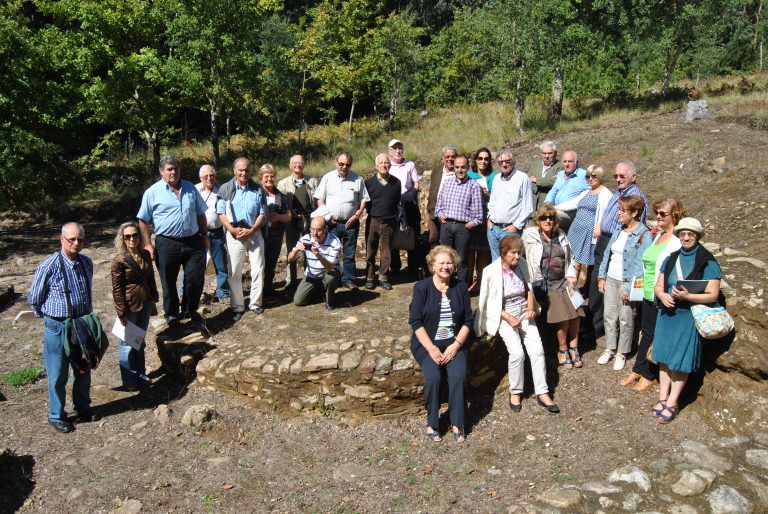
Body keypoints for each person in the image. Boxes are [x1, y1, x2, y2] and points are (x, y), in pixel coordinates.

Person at [28, 223, 101, 433]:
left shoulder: (87, 262)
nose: (76, 243)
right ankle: (56, 415)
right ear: (62, 240)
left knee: (83, 368)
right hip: (58, 326)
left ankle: (83, 407)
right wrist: (51, 320)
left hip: (81, 324)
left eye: (80, 239)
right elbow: (35, 298)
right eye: (72, 239)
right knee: (58, 372)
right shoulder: (49, 266)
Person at [475, 235, 560, 414]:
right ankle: (516, 391)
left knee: (537, 350)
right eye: (513, 253)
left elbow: (529, 288)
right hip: (505, 314)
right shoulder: (491, 271)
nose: (516, 257)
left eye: (519, 253)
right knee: (517, 353)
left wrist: (530, 308)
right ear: (503, 253)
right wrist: (508, 317)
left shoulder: (522, 264)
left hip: (523, 311)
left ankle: (542, 392)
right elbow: (490, 302)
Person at [650, 217, 721, 424]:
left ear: (697, 236)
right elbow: (658, 285)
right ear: (679, 235)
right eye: (683, 234)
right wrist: (662, 295)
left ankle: (672, 402)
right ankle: (662, 398)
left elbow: (713, 294)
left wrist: (687, 297)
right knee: (663, 357)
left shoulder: (707, 260)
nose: (686, 237)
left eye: (691, 234)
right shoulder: (671, 258)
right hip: (667, 313)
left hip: (687, 316)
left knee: (680, 360)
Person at [409, 246, 473, 443]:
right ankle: (432, 423)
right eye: (441, 263)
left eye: (449, 262)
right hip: (428, 345)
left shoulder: (460, 287)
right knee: (434, 378)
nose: (446, 266)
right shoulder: (422, 288)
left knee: (458, 377)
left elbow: (468, 321)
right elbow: (416, 322)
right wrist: (431, 348)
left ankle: (457, 422)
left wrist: (456, 345)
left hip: (455, 343)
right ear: (433, 265)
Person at [137, 155, 209, 328]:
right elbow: (143, 220)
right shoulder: (152, 192)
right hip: (167, 243)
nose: (173, 172)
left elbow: (200, 213)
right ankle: (171, 315)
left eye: (176, 168)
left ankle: (190, 310)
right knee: (168, 281)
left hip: (193, 241)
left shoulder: (190, 188)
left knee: (195, 279)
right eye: (169, 169)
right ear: (162, 171)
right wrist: (147, 244)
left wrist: (205, 235)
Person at [621, 199, 684, 391]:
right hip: (648, 292)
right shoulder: (659, 236)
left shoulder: (676, 241)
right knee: (646, 332)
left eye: (663, 214)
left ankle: (649, 373)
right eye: (657, 213)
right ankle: (639, 368)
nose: (658, 217)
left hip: (661, 294)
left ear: (675, 216)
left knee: (656, 335)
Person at [588, 160, 648, 340]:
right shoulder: (620, 192)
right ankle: (596, 324)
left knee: (603, 285)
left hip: (617, 243)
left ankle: (598, 328)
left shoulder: (635, 197)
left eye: (622, 176)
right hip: (605, 240)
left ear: (633, 177)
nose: (618, 179)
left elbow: (637, 228)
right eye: (616, 176)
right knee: (596, 281)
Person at [522, 205, 584, 369]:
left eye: (551, 217)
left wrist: (571, 274)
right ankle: (562, 349)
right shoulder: (530, 235)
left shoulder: (561, 235)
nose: (547, 220)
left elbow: (571, 259)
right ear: (538, 220)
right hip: (544, 283)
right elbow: (522, 257)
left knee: (576, 313)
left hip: (564, 280)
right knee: (564, 317)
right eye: (544, 217)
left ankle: (574, 347)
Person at [596, 196, 652, 370]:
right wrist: (601, 276)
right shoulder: (619, 230)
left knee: (626, 318)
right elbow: (607, 254)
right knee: (609, 315)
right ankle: (610, 348)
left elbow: (641, 264)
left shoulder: (644, 234)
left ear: (634, 213)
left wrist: (629, 287)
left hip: (626, 281)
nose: (619, 213)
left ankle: (622, 352)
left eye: (623, 210)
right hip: (611, 278)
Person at [217, 157, 267, 321]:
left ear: (250, 171)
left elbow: (262, 213)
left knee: (258, 269)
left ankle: (255, 304)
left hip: (254, 233)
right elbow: (221, 213)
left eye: (246, 170)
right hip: (234, 235)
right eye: (240, 170)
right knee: (234, 271)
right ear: (234, 171)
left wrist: (253, 229)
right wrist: (231, 229)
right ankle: (238, 306)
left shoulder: (258, 189)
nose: (243, 173)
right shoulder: (225, 189)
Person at [110, 221, 158, 390]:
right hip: (130, 306)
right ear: (122, 239)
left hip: (145, 302)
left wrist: (154, 295)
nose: (132, 239)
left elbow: (150, 277)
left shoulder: (145, 254)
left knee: (139, 339)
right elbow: (117, 289)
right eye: (127, 236)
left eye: (135, 235)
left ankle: (141, 373)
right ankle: (129, 380)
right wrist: (121, 312)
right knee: (127, 343)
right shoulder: (119, 260)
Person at [314, 151, 370, 289]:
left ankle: (348, 279)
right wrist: (326, 216)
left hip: (350, 223)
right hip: (331, 223)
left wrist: (356, 216)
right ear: (336, 163)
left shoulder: (358, 179)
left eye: (348, 164)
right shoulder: (328, 178)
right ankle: (332, 279)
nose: (344, 167)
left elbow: (364, 200)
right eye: (341, 164)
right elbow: (320, 198)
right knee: (330, 252)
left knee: (350, 253)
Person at [434, 154, 483, 283]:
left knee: (461, 261)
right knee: (444, 258)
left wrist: (472, 223)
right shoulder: (447, 182)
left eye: (463, 167)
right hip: (447, 226)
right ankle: (444, 285)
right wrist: (439, 214)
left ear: (468, 168)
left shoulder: (474, 186)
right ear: (454, 168)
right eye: (457, 167)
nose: (460, 170)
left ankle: (460, 289)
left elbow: (479, 215)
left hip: (463, 228)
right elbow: (439, 204)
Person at [558, 164, 612, 280]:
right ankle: (572, 289)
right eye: (588, 177)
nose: (590, 179)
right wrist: (554, 208)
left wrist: (600, 226)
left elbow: (608, 214)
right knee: (571, 261)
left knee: (578, 264)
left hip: (588, 234)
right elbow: (572, 204)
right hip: (575, 230)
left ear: (600, 177)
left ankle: (577, 290)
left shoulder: (605, 193)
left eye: (593, 176)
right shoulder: (586, 192)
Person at [277, 154, 319, 288]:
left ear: (304, 165)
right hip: (291, 222)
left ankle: (309, 277)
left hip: (309, 221)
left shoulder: (312, 181)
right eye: (294, 163)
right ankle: (291, 280)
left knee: (309, 249)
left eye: (300, 162)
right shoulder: (282, 184)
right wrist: (290, 213)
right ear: (290, 165)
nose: (297, 165)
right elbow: (280, 206)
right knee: (292, 250)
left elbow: (317, 201)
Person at [486, 148, 533, 262]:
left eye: (507, 161)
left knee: (512, 262)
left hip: (510, 229)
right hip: (493, 228)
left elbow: (528, 207)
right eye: (501, 162)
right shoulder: (496, 178)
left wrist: (516, 226)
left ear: (513, 161)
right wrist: (489, 218)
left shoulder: (522, 178)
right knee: (496, 262)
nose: (504, 164)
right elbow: (492, 201)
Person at [287, 216, 342, 310]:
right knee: (298, 301)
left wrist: (318, 255)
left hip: (329, 273)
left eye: (319, 230)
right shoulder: (306, 239)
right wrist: (296, 250)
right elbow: (290, 259)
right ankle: (321, 291)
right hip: (312, 274)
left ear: (326, 229)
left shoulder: (334, 241)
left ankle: (330, 301)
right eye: (312, 229)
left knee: (330, 278)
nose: (315, 233)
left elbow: (330, 267)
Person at [364, 153, 401, 290]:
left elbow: (396, 200)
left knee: (387, 251)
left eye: (386, 163)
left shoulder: (396, 182)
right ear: (376, 166)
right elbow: (367, 203)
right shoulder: (369, 183)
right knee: (370, 249)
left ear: (390, 165)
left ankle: (383, 277)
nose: (384, 165)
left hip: (389, 221)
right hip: (373, 220)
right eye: (381, 163)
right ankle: (369, 277)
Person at [387, 139, 421, 276]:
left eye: (400, 148)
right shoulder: (387, 165)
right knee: (392, 234)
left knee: (411, 233)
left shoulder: (410, 164)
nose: (398, 151)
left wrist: (410, 195)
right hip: (392, 206)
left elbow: (416, 183)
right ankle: (395, 266)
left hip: (408, 204)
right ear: (389, 151)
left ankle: (413, 266)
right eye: (395, 148)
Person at [195, 164, 229, 302]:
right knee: (196, 265)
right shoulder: (194, 190)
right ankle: (189, 293)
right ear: (200, 177)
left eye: (212, 175)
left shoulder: (221, 190)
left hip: (216, 232)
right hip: (197, 233)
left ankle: (223, 292)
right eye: (206, 176)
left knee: (221, 264)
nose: (209, 178)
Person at [465, 147, 495, 292]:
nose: (483, 161)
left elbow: (497, 198)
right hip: (470, 218)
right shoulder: (469, 175)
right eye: (480, 158)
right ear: (475, 160)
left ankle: (481, 283)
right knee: (469, 251)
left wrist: (487, 194)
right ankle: (468, 281)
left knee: (484, 252)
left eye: (486, 159)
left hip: (487, 218)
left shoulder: (494, 176)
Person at [260, 163, 292, 295]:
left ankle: (268, 287)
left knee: (271, 262)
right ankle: (258, 290)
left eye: (272, 176)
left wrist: (278, 217)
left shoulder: (280, 195)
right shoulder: (256, 192)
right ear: (261, 177)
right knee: (259, 263)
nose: (269, 179)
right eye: (266, 176)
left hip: (276, 235)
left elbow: (288, 216)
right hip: (259, 234)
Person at [544, 150, 590, 230]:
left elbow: (593, 190)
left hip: (571, 212)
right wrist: (548, 202)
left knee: (549, 215)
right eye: (565, 161)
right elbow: (553, 190)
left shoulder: (584, 175)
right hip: (557, 209)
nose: (567, 164)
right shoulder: (561, 174)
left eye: (570, 161)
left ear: (576, 162)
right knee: (539, 215)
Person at [426, 145, 458, 248]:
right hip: (434, 212)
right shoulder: (437, 170)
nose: (450, 159)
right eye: (447, 156)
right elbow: (432, 189)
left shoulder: (459, 172)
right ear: (443, 157)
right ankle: (434, 263)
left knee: (448, 244)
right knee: (432, 239)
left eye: (453, 156)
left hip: (449, 216)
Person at [524, 141, 560, 212]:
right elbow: (527, 180)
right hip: (532, 207)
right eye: (544, 153)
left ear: (555, 154)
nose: (546, 156)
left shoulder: (560, 166)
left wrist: (536, 180)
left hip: (548, 208)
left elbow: (553, 182)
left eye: (550, 153)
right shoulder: (535, 164)